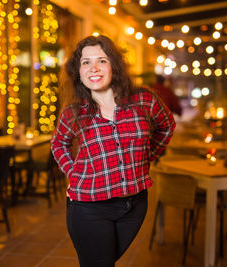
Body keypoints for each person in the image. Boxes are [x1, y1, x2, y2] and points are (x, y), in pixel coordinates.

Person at [50, 35, 176, 266]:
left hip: (135, 204)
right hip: (89, 207)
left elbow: (167, 125)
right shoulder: (74, 112)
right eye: (85, 62)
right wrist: (74, 172)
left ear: (114, 65)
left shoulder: (144, 100)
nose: (93, 68)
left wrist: (146, 159)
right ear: (78, 71)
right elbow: (58, 143)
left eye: (102, 60)